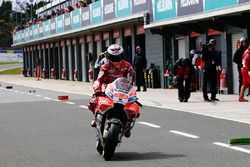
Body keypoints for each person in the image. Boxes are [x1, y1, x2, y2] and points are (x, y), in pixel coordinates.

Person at [88, 44, 135, 137]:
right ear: (109, 56)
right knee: (93, 101)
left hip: (123, 92)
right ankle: (95, 117)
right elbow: (99, 78)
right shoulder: (105, 66)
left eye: (118, 57)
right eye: (113, 57)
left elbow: (131, 80)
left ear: (122, 55)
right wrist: (97, 86)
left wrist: (131, 90)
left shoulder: (128, 66)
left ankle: (128, 126)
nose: (116, 59)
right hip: (108, 92)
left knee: (133, 107)